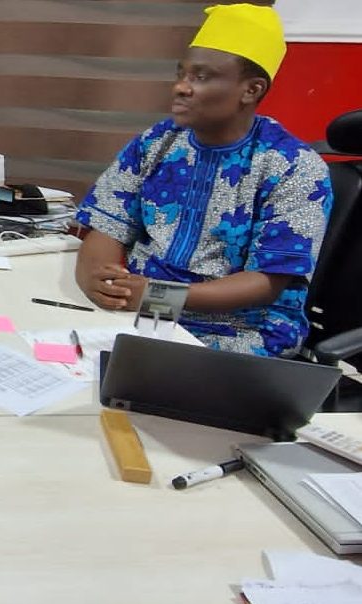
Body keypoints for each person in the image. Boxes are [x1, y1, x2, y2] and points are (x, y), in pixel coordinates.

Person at [74, 3, 333, 357]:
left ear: (251, 90)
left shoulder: (294, 167)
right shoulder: (158, 141)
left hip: (239, 327)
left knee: (143, 380)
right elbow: (107, 224)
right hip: (145, 308)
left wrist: (155, 296)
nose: (181, 87)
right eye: (181, 74)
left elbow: (267, 282)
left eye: (201, 77)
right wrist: (99, 281)